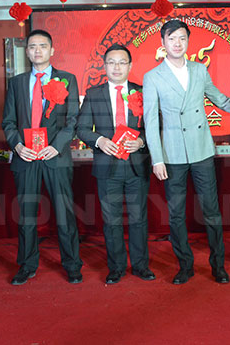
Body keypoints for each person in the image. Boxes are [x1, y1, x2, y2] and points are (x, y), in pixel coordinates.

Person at [143, 19, 230, 285]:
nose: (177, 43)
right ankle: (185, 265)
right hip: (172, 155)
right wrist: (157, 159)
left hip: (201, 150)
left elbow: (219, 98)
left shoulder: (199, 69)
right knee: (176, 214)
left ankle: (218, 265)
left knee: (212, 210)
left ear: (188, 41)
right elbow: (150, 121)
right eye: (172, 38)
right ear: (163, 43)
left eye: (182, 38)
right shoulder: (152, 76)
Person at [2, 29, 83, 285]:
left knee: (64, 213)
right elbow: (8, 121)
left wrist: (56, 146)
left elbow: (73, 120)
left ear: (52, 50)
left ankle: (72, 264)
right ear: (26, 51)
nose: (37, 51)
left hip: (55, 157)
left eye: (43, 46)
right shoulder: (16, 83)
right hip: (25, 157)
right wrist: (17, 146)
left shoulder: (67, 79)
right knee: (26, 215)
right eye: (32, 46)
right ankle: (27, 265)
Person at [77, 44, 154, 284]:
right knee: (111, 220)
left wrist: (141, 141)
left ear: (130, 66)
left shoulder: (143, 92)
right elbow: (81, 128)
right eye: (111, 62)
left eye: (122, 62)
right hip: (107, 164)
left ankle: (141, 266)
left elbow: (155, 126)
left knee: (139, 217)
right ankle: (116, 267)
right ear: (104, 66)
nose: (117, 67)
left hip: (136, 165)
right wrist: (99, 141)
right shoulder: (93, 94)